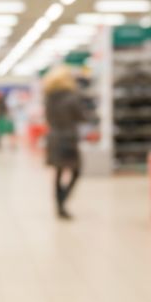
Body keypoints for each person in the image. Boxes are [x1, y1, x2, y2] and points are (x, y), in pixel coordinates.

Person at [44, 66, 88, 220]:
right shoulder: (72, 97)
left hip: (53, 136)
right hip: (68, 137)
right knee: (76, 171)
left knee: (58, 172)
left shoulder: (49, 97)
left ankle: (59, 204)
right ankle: (63, 200)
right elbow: (81, 116)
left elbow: (47, 118)